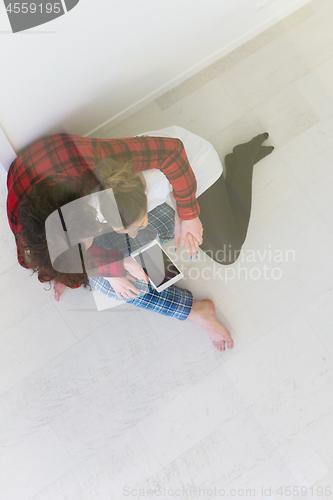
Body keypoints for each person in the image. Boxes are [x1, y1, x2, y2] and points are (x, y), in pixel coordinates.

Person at [6, 127, 274, 351]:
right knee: (112, 280)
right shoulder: (27, 226)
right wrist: (69, 271)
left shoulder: (106, 174)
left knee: (228, 251)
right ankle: (193, 309)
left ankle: (241, 162)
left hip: (188, 169)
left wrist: (188, 212)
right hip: (133, 203)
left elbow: (173, 151)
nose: (91, 251)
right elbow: (42, 256)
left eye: (88, 241)